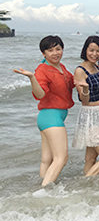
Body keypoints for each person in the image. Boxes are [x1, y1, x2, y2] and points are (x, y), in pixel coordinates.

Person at [13, 36, 75, 186]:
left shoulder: (61, 67)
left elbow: (71, 82)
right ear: (43, 53)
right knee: (61, 158)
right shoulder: (42, 70)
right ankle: (45, 190)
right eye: (50, 50)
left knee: (47, 160)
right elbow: (40, 94)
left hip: (49, 118)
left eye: (58, 49)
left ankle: (40, 188)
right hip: (51, 116)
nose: (55, 53)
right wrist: (32, 78)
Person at [72, 35, 99, 176]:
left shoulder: (96, 67)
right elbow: (84, 100)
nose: (94, 54)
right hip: (90, 115)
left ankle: (87, 186)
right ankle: (84, 182)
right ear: (85, 50)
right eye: (91, 50)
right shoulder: (80, 70)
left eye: (98, 51)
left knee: (91, 158)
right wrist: (85, 89)